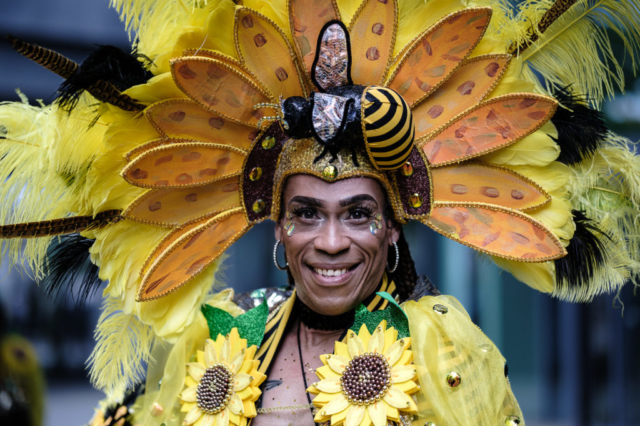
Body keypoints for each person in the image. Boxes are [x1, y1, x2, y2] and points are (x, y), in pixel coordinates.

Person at [1, 0, 639, 425]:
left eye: (357, 214)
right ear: (279, 228)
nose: (329, 242)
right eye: (307, 213)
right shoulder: (222, 336)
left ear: (391, 229)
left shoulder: (446, 344)